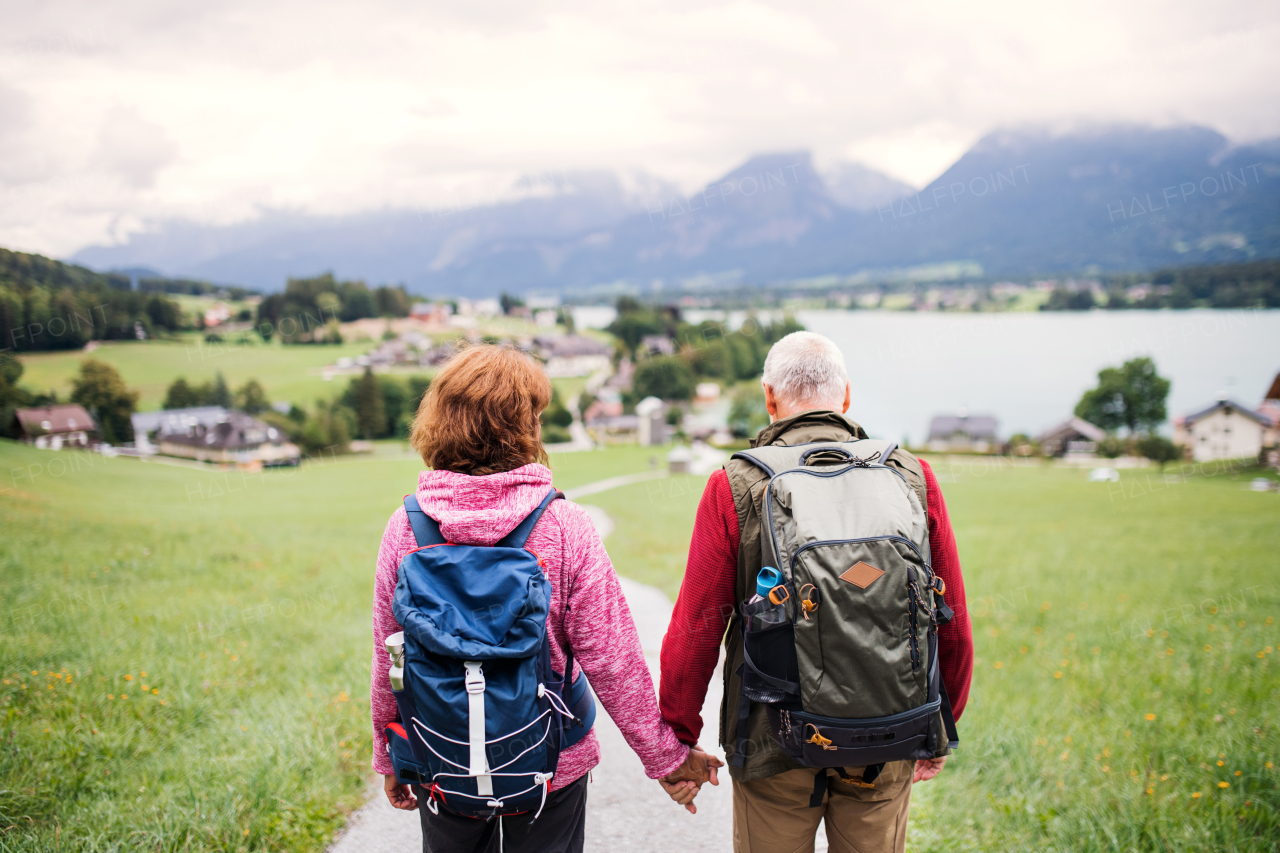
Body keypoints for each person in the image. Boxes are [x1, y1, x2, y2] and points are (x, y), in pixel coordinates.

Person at [369, 344, 722, 853]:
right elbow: (614, 661)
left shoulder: (406, 527)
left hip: (440, 759)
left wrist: (390, 756)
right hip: (548, 763)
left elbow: (389, 657)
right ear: (525, 427)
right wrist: (667, 759)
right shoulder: (562, 526)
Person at [658, 331, 974, 853]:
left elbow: (697, 629)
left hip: (772, 736)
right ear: (845, 396)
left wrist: (676, 740)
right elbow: (952, 619)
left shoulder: (735, 485)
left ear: (769, 397)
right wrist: (939, 725)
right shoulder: (911, 477)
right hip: (889, 730)